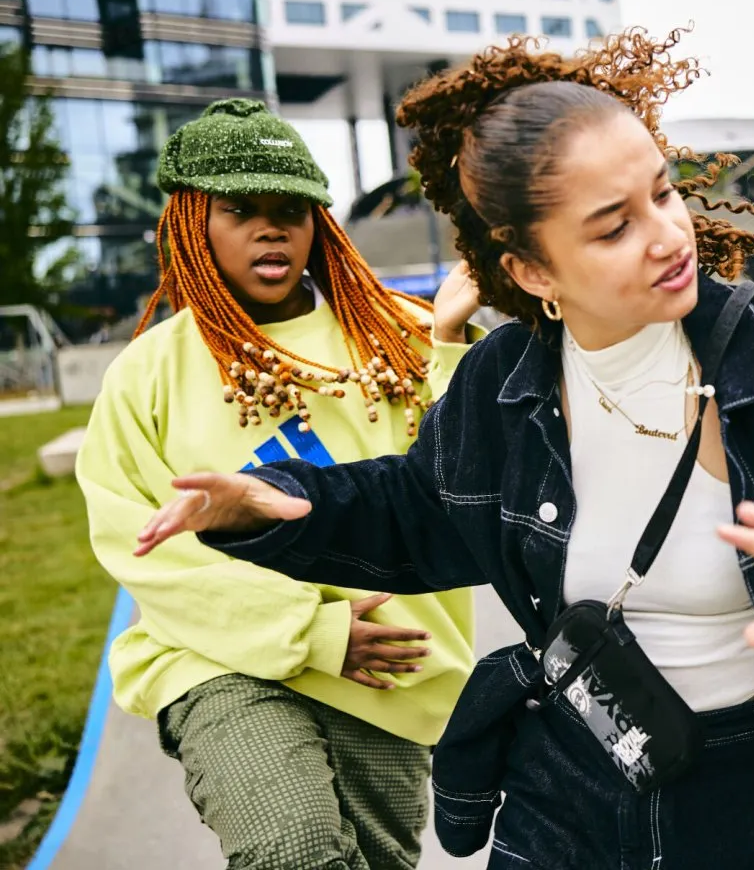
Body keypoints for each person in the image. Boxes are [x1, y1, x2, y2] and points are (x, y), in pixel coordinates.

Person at [129, 30, 754, 870]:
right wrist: (271, 504)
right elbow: (421, 511)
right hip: (567, 784)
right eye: (614, 225)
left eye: (663, 192)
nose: (669, 234)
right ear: (531, 269)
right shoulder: (502, 386)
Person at [76, 98, 483, 869]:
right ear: (194, 223)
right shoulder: (148, 372)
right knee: (291, 848)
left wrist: (453, 344)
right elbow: (138, 548)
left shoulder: (397, 331)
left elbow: (464, 477)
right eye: (241, 210)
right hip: (216, 656)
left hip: (389, 664)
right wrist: (311, 630)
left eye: (291, 209)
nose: (272, 228)